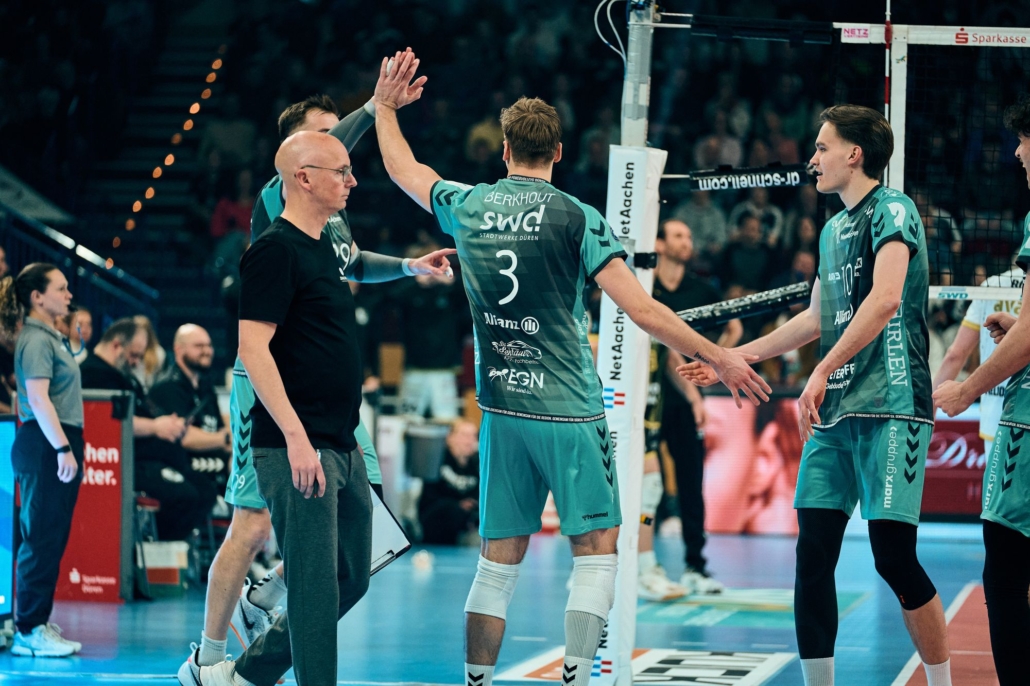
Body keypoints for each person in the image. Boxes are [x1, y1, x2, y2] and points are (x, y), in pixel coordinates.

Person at [374, 51, 769, 686]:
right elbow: (642, 310)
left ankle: (476, 681)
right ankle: (578, 678)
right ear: (558, 153)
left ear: (505, 150)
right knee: (597, 553)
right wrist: (719, 354)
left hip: (502, 409)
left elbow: (403, 170)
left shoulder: (469, 205)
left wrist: (384, 108)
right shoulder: (578, 217)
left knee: (496, 564)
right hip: (569, 411)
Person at [178, 75, 457, 683]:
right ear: (299, 167)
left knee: (360, 544)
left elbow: (354, 263)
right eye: (331, 151)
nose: (348, 168)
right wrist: (374, 107)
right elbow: (256, 346)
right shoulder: (277, 212)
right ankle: (211, 658)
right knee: (252, 524)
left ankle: (269, 606)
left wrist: (410, 266)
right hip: (275, 396)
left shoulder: (329, 232)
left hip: (333, 420)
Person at [682, 104, 952, 686]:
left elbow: (885, 299)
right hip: (835, 416)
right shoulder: (831, 231)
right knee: (812, 558)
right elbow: (814, 318)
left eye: (822, 147)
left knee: (893, 557)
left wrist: (822, 369)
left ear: (854, 154)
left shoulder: (894, 209)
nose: (813, 159)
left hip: (892, 407)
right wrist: (735, 357)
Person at [932, 94, 1030, 686]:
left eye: (1023, 140)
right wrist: (1016, 326)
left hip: (1023, 421)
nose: (1017, 153)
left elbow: (1028, 339)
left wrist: (964, 392)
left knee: (1005, 567)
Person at [649, 219, 742, 595]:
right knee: (646, 483)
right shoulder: (645, 287)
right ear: (659, 243)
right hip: (648, 400)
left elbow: (734, 327)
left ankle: (695, 566)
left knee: (691, 482)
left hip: (685, 403)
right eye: (678, 235)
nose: (687, 241)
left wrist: (713, 363)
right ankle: (644, 564)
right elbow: (666, 348)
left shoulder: (701, 289)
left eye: (689, 235)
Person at [0, 263, 83, 657]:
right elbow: (36, 397)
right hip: (45, 443)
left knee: (51, 536)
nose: (69, 295)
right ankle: (28, 631)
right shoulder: (35, 339)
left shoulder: (51, 337)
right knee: (40, 537)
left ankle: (36, 621)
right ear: (37, 297)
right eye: (61, 289)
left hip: (53, 440)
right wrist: (63, 448)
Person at [80, 319, 205, 541]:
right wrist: (156, 427)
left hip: (153, 459)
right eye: (134, 355)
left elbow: (145, 410)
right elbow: (111, 422)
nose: (136, 362)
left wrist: (168, 422)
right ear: (116, 345)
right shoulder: (93, 374)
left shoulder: (122, 375)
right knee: (185, 497)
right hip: (126, 463)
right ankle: (159, 552)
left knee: (203, 488)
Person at [933, 257, 1025, 457]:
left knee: (997, 478)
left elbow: (956, 354)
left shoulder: (992, 285)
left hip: (996, 414)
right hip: (1021, 408)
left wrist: (930, 409)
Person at [150, 324, 231, 492]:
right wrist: (226, 439)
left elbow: (218, 424)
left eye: (209, 345)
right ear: (179, 349)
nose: (207, 351)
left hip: (216, 471)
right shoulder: (168, 387)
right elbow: (184, 436)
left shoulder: (205, 385)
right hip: (186, 475)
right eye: (199, 346)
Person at [418, 419, 481, 545]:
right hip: (436, 520)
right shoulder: (437, 461)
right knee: (453, 512)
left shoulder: (476, 465)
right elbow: (429, 498)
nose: (470, 440)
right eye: (465, 435)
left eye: (474, 436)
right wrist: (458, 504)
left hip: (466, 521)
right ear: (450, 437)